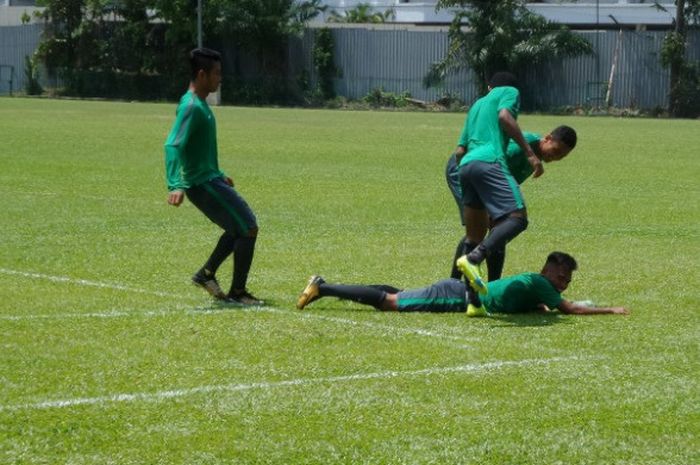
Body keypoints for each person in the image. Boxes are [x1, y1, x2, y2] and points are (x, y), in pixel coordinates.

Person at [164, 47, 262, 306]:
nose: (220, 78)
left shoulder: (202, 106)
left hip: (211, 178)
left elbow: (200, 148)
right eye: (216, 73)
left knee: (237, 228)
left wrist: (219, 173)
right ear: (201, 74)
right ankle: (238, 293)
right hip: (200, 183)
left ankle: (206, 275)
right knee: (248, 227)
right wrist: (175, 184)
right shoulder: (191, 107)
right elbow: (173, 144)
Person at [296, 252, 628, 316]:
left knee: (398, 294)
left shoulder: (536, 285)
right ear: (547, 271)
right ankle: (322, 287)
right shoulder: (543, 285)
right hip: (456, 297)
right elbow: (567, 309)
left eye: (567, 280)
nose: (563, 285)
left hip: (456, 290)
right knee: (391, 302)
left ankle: (333, 287)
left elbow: (542, 303)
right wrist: (609, 309)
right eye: (560, 277)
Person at [445, 72, 542, 291]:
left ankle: (469, 298)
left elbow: (460, 151)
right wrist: (530, 153)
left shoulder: (477, 105)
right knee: (516, 219)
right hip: (490, 161)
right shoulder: (509, 91)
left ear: (488, 87)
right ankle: (474, 259)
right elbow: (505, 117)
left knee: (474, 235)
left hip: (466, 165)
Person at [449, 125, 577, 284]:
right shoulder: (520, 148)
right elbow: (490, 167)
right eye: (556, 150)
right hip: (464, 169)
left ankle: (493, 286)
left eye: (561, 157)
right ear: (547, 138)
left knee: (497, 229)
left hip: (484, 176)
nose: (555, 157)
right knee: (478, 230)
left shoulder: (535, 157)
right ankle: (454, 283)